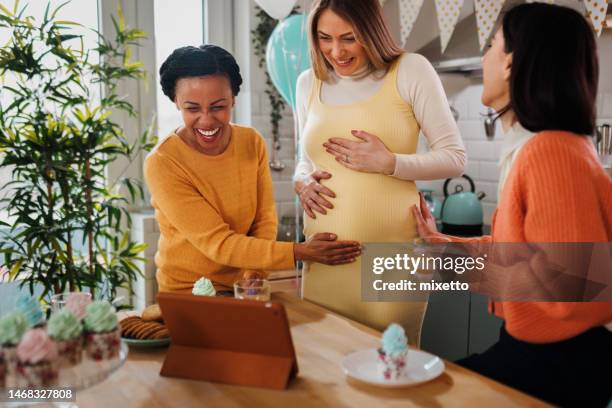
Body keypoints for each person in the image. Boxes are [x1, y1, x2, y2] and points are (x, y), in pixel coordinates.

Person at [412, 4, 612, 406]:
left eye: (491, 45)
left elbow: (566, 283)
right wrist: (444, 248)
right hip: (553, 356)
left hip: (559, 363)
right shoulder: (549, 147)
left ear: (511, 64)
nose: (483, 56)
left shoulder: (551, 151)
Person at [293, 0, 466, 342]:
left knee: (391, 371)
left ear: (371, 32)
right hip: (324, 261)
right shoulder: (307, 83)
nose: (335, 51)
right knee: (326, 375)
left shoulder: (410, 70)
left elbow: (455, 157)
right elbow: (305, 158)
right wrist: (301, 181)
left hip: (391, 260)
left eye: (349, 38)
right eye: (324, 38)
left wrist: (390, 163)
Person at [145, 45, 361, 294]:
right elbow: (218, 243)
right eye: (192, 108)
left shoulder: (251, 142)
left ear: (233, 99)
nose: (206, 120)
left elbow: (264, 218)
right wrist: (300, 252)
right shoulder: (163, 162)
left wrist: (255, 272)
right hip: (188, 291)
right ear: (176, 103)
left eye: (218, 106)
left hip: (243, 285)